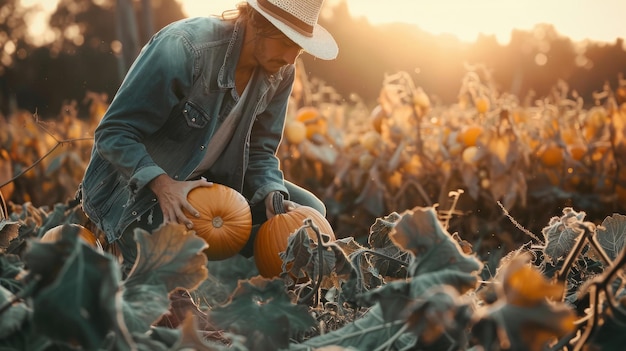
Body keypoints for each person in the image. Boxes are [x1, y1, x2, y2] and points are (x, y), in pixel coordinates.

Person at [78, 0, 338, 274]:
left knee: (309, 216)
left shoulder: (281, 71)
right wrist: (163, 185)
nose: (291, 57)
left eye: (299, 47)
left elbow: (261, 152)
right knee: (169, 306)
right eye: (286, 41)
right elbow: (114, 132)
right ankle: (129, 254)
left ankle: (294, 299)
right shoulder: (184, 47)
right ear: (256, 21)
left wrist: (272, 193)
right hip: (140, 191)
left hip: (209, 184)